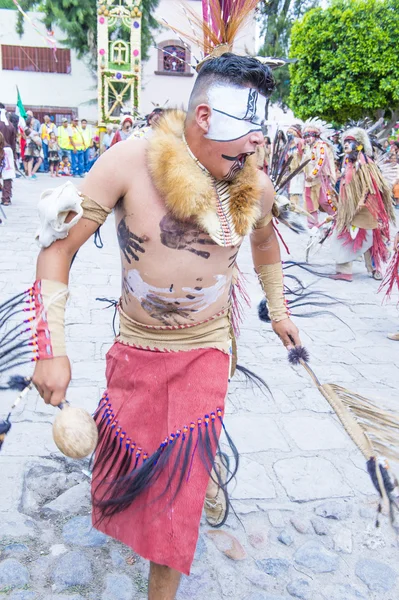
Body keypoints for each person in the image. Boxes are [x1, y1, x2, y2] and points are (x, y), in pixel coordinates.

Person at [32, 52, 300, 599]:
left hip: (207, 350)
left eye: (260, 134)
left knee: (176, 491)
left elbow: (265, 239)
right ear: (203, 117)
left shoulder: (255, 184)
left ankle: (175, 548)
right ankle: (199, 475)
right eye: (248, 132)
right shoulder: (129, 163)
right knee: (131, 464)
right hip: (136, 347)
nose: (256, 146)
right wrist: (50, 347)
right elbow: (56, 252)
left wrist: (279, 308)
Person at [329, 126, 395, 282]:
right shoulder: (349, 161)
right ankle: (345, 270)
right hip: (350, 209)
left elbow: (370, 185)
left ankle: (374, 268)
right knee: (346, 236)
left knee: (369, 239)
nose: (345, 145)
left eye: (349, 142)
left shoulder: (364, 162)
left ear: (358, 145)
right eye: (345, 142)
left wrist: (361, 202)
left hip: (363, 209)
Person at [302, 118, 337, 227]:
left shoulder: (321, 145)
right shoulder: (308, 148)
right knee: (310, 202)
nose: (307, 139)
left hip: (321, 179)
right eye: (305, 137)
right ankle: (312, 224)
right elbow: (304, 162)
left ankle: (337, 217)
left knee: (325, 201)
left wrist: (312, 175)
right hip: (309, 181)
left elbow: (321, 161)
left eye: (309, 136)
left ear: (316, 135)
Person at [0, 104, 16, 205]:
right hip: (9, 150)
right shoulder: (10, 125)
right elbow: (13, 142)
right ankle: (6, 198)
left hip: (1, 149)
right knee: (7, 175)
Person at [287, 124, 304, 206]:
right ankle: (294, 208)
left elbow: (304, 156)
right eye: (288, 133)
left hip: (301, 171)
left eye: (291, 133)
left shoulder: (300, 143)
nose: (289, 135)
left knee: (301, 192)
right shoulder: (288, 145)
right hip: (293, 172)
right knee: (293, 191)